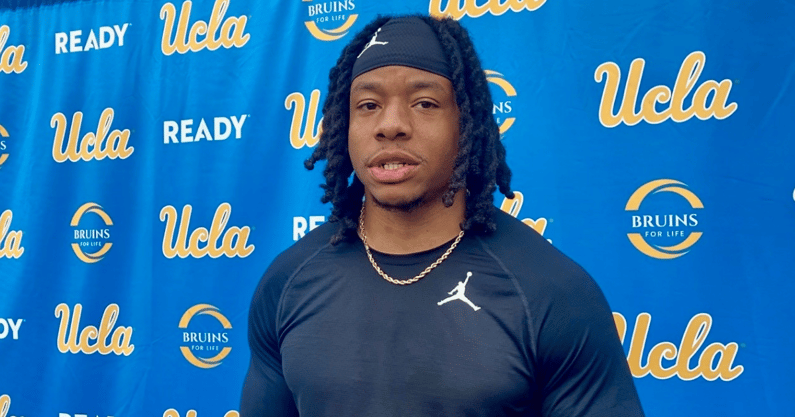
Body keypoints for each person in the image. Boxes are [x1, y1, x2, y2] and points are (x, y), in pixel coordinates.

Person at [240, 14, 644, 417]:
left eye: (425, 103)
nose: (391, 125)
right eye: (368, 105)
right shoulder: (287, 284)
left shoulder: (550, 294)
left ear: (467, 123)